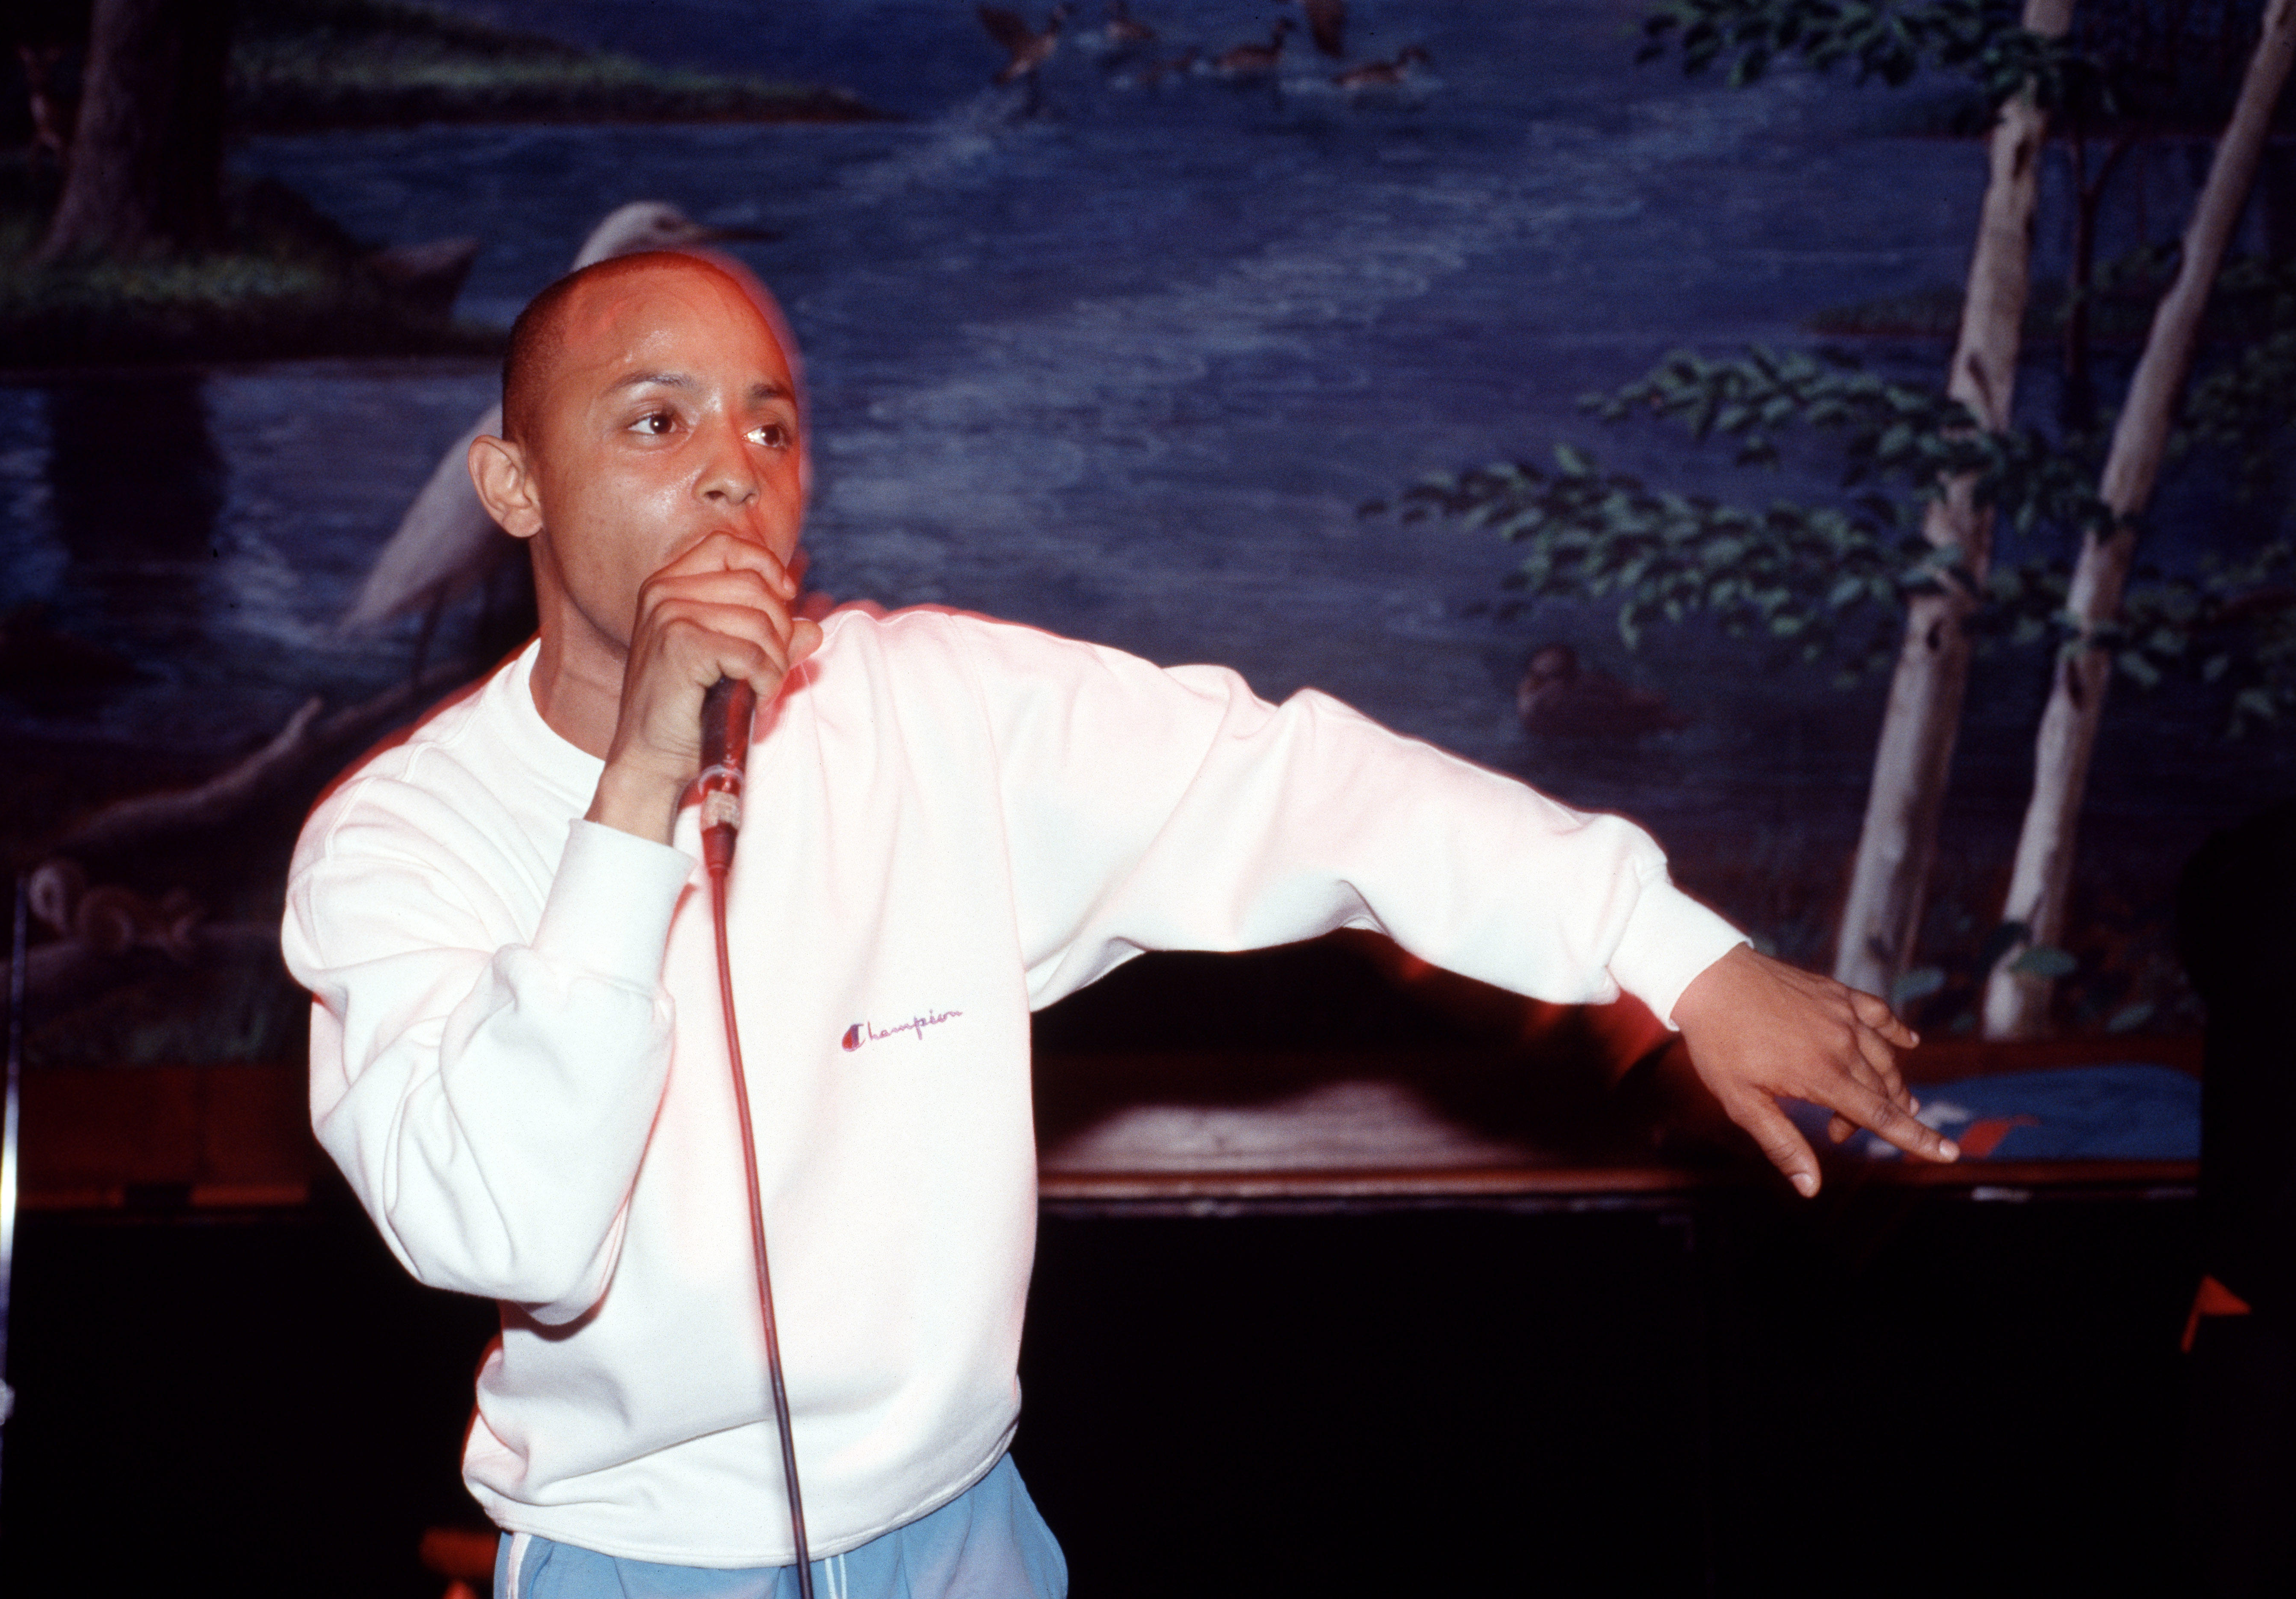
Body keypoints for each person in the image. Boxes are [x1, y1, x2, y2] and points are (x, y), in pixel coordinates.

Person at [282, 251, 1956, 1598]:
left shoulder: (933, 709)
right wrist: (638, 789)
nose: (735, 469)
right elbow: (511, 1233)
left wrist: (1677, 950)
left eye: (773, 426)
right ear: (511, 481)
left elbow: (1307, 784)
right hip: (635, 1562)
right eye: (657, 423)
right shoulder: (400, 839)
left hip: (965, 1529)